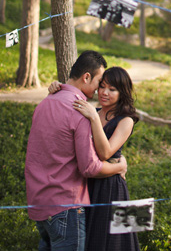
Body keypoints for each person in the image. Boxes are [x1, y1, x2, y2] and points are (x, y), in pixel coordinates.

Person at [25, 50, 127, 251]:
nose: (101, 89)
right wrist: (120, 167)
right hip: (65, 204)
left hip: (38, 201)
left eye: (110, 88)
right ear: (87, 77)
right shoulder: (80, 110)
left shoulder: (45, 103)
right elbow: (89, 167)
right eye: (100, 82)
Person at [49, 66, 140, 251]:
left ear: (123, 93)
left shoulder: (126, 120)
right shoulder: (93, 110)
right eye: (102, 86)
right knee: (90, 237)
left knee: (116, 241)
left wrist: (94, 119)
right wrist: (57, 88)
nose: (104, 93)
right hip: (88, 183)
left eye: (112, 90)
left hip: (112, 187)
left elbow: (105, 153)